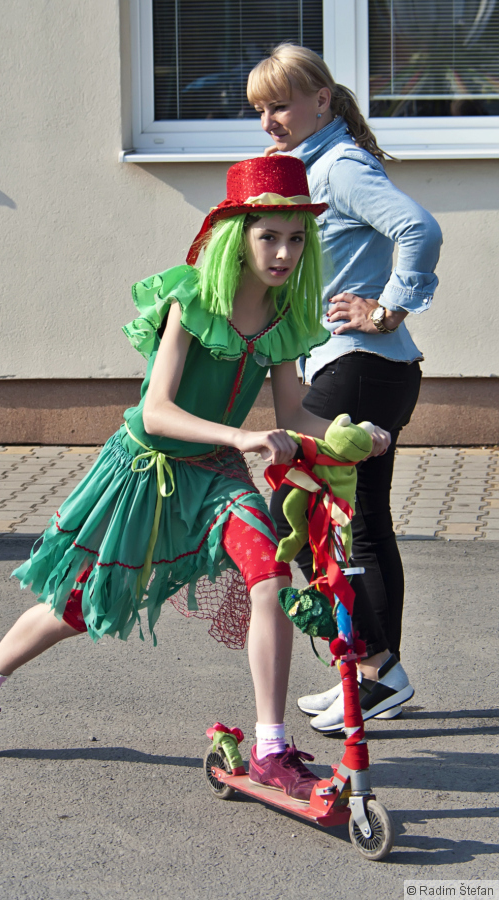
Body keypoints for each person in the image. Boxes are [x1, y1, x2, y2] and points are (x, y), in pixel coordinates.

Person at [0, 155, 391, 797]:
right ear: (236, 235)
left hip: (216, 477)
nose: (284, 253)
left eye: (297, 239)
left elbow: (295, 414)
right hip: (144, 472)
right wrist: (239, 436)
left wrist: (353, 430)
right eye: (269, 236)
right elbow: (155, 412)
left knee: (270, 573)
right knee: (80, 607)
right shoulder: (191, 299)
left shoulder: (286, 317)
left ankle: (270, 748)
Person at [247, 44, 443, 733]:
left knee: (295, 517)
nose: (268, 121)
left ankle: (376, 667)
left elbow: (418, 229)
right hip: (370, 370)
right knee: (362, 524)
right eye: (260, 110)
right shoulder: (314, 165)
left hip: (360, 364)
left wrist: (386, 309)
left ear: (321, 100)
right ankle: (372, 675)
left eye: (280, 105)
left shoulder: (341, 166)